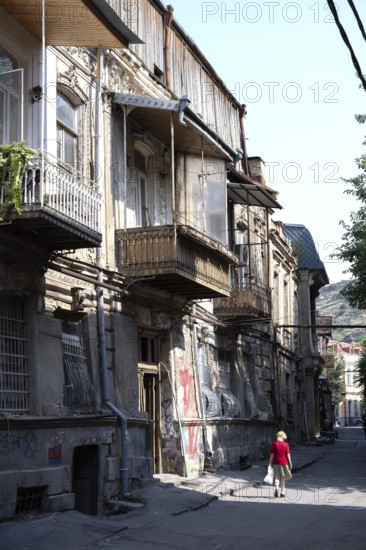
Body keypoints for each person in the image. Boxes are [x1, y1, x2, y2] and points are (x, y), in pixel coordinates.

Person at [269, 430, 292, 498]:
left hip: (276, 462)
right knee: (283, 477)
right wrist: (290, 463)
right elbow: (288, 455)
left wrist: (270, 463)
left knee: (276, 476)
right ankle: (282, 492)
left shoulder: (274, 444)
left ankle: (276, 488)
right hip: (284, 462)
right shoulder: (286, 444)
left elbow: (272, 455)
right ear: (283, 436)